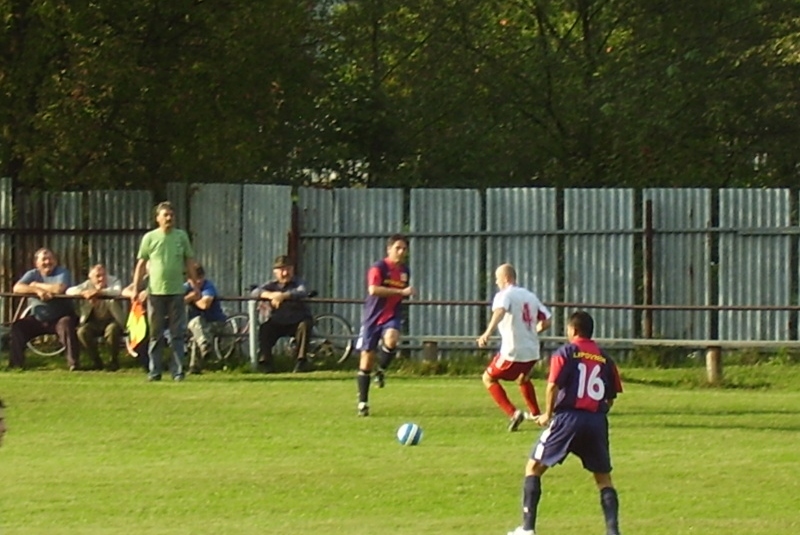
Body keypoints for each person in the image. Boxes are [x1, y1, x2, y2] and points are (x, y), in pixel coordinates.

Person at [506, 311, 623, 535]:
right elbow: (611, 396)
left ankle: (527, 529)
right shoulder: (605, 357)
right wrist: (598, 413)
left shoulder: (566, 352)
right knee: (603, 479)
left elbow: (553, 386)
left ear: (573, 330)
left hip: (568, 419)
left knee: (534, 467)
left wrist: (547, 414)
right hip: (597, 421)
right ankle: (613, 532)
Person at [477, 263, 552, 432]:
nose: (496, 283)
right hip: (532, 351)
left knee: (488, 378)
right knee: (523, 379)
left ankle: (513, 413)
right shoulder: (529, 296)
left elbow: (500, 311)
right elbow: (547, 320)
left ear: (505, 278)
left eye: (497, 279)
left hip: (513, 351)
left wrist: (487, 333)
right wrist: (534, 331)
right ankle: (537, 415)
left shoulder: (504, 295)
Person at [131, 201, 199, 382]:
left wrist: (195, 285)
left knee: (177, 333)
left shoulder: (181, 236)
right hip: (155, 293)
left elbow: (190, 262)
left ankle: (177, 372)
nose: (169, 218)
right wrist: (135, 289)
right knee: (155, 334)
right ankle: (155, 371)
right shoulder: (150, 238)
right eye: (165, 215)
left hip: (177, 292)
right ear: (157, 218)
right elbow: (141, 264)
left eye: (171, 215)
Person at [354, 234, 416, 417]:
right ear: (389, 249)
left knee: (392, 339)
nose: (401, 251)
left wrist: (404, 293)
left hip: (391, 315)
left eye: (404, 248)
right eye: (398, 248)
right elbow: (373, 290)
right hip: (372, 318)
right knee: (366, 359)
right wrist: (401, 291)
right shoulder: (378, 267)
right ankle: (363, 403)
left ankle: (380, 371)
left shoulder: (405, 270)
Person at [9, 248, 79, 370]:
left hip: (60, 317)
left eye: (50, 259)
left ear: (55, 261)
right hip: (37, 318)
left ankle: (74, 364)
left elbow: (59, 289)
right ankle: (16, 364)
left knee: (67, 324)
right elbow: (17, 288)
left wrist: (36, 285)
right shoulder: (32, 274)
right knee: (18, 327)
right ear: (37, 263)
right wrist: (37, 291)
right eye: (44, 259)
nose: (47, 262)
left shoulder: (62, 272)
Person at [250, 255, 313, 373]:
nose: (285, 273)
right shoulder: (271, 285)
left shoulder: (298, 283)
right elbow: (255, 292)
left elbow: (302, 291)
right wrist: (271, 295)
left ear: (292, 270)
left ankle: (301, 362)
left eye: (288, 269)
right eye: (281, 270)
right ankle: (265, 362)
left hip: (297, 321)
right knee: (265, 328)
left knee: (305, 325)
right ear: (275, 272)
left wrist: (283, 296)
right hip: (277, 322)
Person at [66, 264, 126, 371]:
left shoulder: (113, 280)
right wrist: (83, 293)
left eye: (103, 275)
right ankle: (97, 362)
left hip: (112, 320)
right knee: (82, 332)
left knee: (112, 330)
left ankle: (113, 361)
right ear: (90, 277)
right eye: (98, 276)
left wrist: (99, 292)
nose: (101, 278)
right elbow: (69, 291)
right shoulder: (87, 285)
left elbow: (117, 291)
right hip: (93, 321)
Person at [184, 264, 226, 374]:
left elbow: (205, 304)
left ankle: (201, 352)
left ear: (203, 277)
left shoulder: (208, 286)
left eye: (199, 279)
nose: (197, 282)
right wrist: (190, 297)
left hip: (215, 322)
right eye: (193, 280)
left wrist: (193, 298)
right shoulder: (185, 287)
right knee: (196, 325)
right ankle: (205, 347)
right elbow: (177, 302)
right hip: (198, 326)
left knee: (196, 325)